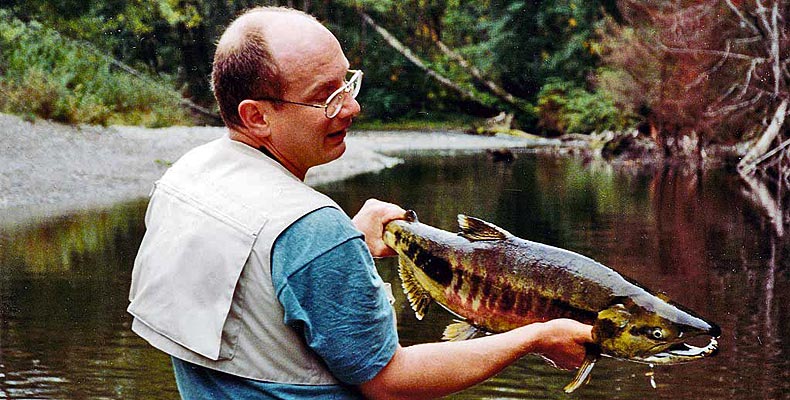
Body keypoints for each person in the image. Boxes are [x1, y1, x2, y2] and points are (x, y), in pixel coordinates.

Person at [127, 6, 593, 399]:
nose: (351, 108)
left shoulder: (186, 178)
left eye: (346, 83)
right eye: (325, 98)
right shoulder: (311, 233)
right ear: (257, 116)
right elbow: (390, 381)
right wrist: (536, 335)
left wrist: (347, 242)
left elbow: (258, 302)